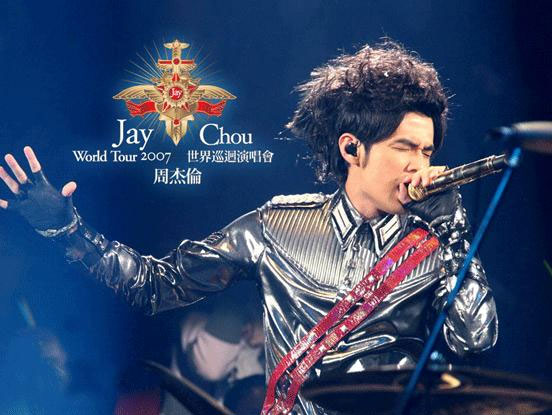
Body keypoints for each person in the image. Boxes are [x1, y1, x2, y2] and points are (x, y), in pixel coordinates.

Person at [0, 41, 497, 415]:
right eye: (404, 148)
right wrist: (65, 229)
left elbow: (474, 341)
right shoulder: (277, 226)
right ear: (352, 148)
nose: (420, 166)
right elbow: (158, 285)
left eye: (427, 151)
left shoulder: (436, 243)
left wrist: (454, 233)